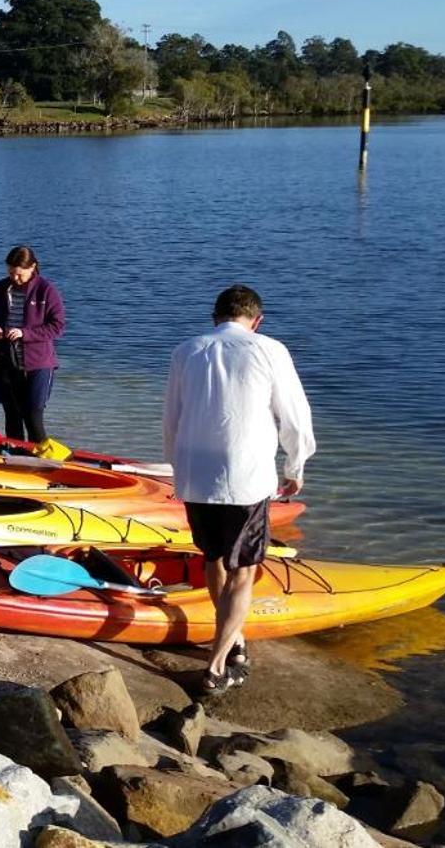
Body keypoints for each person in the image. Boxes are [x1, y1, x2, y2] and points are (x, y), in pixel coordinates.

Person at [162, 284, 315, 697]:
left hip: (195, 473)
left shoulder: (186, 351)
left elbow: (171, 419)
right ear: (257, 320)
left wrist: (178, 469)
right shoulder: (269, 349)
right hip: (245, 478)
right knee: (244, 571)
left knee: (214, 559)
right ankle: (216, 666)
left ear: (215, 317)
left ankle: (236, 640)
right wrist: (295, 465)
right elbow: (295, 417)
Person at [0, 245, 66, 443]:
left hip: (38, 364)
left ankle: (43, 460)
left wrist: (24, 333)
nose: (15, 278)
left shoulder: (47, 291)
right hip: (6, 361)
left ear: (32, 267)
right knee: (12, 416)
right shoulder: (1, 288)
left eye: (19, 274)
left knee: (33, 415)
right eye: (11, 273)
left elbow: (57, 326)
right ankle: (17, 457)